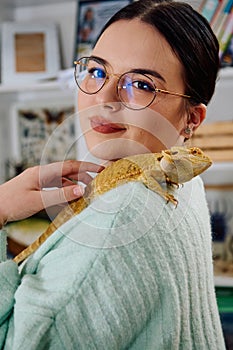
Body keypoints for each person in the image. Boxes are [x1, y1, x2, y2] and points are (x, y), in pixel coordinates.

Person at [0, 0, 226, 349]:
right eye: (96, 71)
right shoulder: (181, 179)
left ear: (191, 119)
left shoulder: (120, 218)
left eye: (142, 84)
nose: (104, 97)